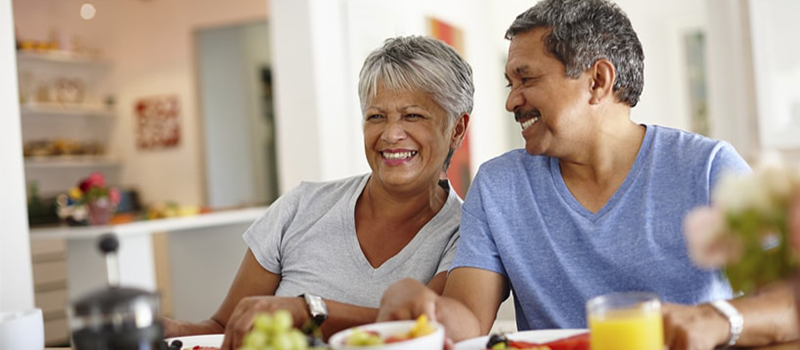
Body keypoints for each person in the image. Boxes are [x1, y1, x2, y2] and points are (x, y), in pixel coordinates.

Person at [376, 1, 799, 349]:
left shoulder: (706, 168)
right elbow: (467, 321)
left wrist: (717, 319)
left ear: (598, 80)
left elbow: (791, 299)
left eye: (527, 79)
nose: (512, 102)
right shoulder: (499, 186)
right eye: (509, 83)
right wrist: (421, 306)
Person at [163, 35, 474, 350]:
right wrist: (170, 328)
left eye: (413, 116)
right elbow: (222, 327)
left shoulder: (467, 235)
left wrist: (309, 311)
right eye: (376, 116)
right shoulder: (301, 206)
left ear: (457, 129)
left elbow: (423, 330)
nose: (391, 134)